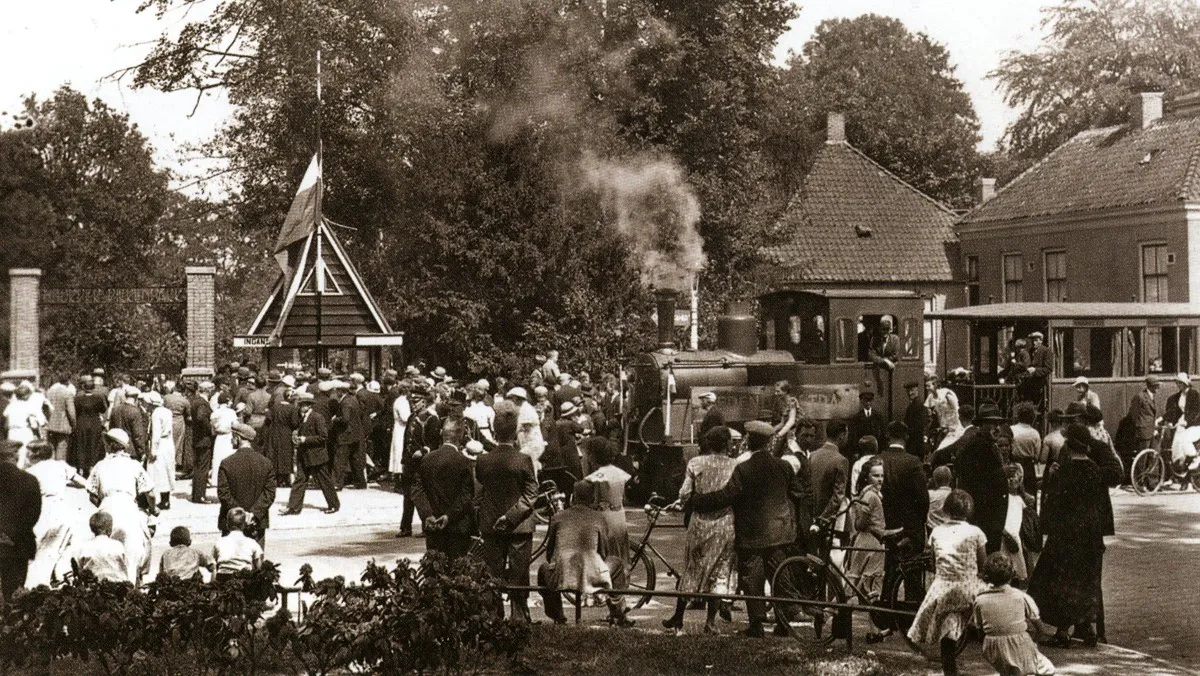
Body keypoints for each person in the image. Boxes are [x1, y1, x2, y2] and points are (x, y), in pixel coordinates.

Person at [689, 420, 805, 638]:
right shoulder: (784, 467)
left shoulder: (743, 469)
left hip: (751, 533)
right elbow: (798, 493)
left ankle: (757, 625)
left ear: (750, 440)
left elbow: (727, 496)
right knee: (779, 576)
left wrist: (699, 501)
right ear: (770, 442)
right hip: (779, 532)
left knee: (754, 579)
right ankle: (782, 623)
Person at [1028, 424, 1120, 648]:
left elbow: (1054, 504)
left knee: (1063, 582)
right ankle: (1089, 628)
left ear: (1069, 445)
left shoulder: (1064, 471)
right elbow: (1101, 504)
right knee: (1087, 580)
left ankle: (1062, 631)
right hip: (1090, 536)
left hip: (1066, 536)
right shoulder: (1095, 471)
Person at [664, 426, 738, 634]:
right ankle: (710, 621)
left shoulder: (696, 463)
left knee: (693, 567)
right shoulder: (735, 465)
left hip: (699, 523)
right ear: (727, 444)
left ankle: (678, 617)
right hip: (724, 522)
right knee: (720, 570)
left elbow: (685, 493)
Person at [907, 489, 988, 676]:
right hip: (968, 586)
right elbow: (983, 563)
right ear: (970, 511)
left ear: (946, 509)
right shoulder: (976, 532)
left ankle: (949, 668)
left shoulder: (936, 531)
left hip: (943, 586)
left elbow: (935, 563)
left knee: (947, 625)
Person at [474, 402, 538, 622]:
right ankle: (519, 616)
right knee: (520, 574)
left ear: (494, 431)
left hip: (491, 524)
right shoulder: (523, 459)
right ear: (515, 432)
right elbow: (531, 494)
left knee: (493, 572)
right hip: (519, 525)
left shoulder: (483, 460)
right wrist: (511, 516)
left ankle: (494, 616)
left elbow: (479, 493)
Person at [537, 480, 623, 624]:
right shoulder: (599, 517)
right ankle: (618, 613)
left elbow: (550, 551)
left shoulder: (559, 517)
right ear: (592, 499)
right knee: (618, 563)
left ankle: (558, 616)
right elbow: (604, 552)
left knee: (543, 569)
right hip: (592, 575)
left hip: (562, 574)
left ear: (573, 497)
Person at [973, 553, 1056, 676]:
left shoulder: (980, 600)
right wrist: (1034, 641)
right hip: (1019, 643)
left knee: (1009, 668)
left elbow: (980, 630)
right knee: (1048, 670)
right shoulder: (1021, 596)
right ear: (1012, 575)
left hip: (992, 646)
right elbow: (1040, 627)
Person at [583, 439, 633, 626]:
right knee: (621, 558)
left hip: (604, 518)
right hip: (619, 517)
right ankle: (619, 605)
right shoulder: (620, 474)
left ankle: (614, 606)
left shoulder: (597, 476)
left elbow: (594, 501)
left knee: (606, 561)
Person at [410, 418, 476, 559]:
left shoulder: (426, 459)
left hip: (433, 526)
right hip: (457, 527)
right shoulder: (463, 462)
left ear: (442, 434)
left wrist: (427, 515)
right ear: (460, 436)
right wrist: (449, 516)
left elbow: (417, 491)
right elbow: (467, 495)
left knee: (435, 568)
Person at [879, 421, 929, 603]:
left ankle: (885, 609)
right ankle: (910, 613)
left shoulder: (878, 460)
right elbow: (923, 499)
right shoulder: (913, 462)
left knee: (889, 569)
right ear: (906, 437)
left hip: (885, 524)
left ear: (887, 436)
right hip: (910, 526)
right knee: (912, 571)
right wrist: (920, 523)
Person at [25, 440, 87, 587]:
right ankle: (62, 584)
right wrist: (62, 482)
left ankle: (38, 587)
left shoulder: (31, 471)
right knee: (62, 550)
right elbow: (83, 483)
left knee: (40, 553)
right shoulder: (60, 466)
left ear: (36, 454)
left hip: (44, 510)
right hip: (62, 509)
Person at [953, 403, 1009, 553]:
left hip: (991, 517)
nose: (997, 428)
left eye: (999, 424)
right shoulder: (976, 447)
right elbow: (974, 483)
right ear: (982, 425)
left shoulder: (988, 445)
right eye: (992, 424)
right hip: (984, 517)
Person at [217, 423, 276, 549]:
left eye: (232, 437)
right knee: (256, 561)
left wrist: (240, 514)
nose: (231, 440)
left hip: (231, 523)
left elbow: (223, 494)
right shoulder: (266, 463)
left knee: (231, 561)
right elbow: (269, 493)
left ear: (237, 438)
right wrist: (253, 513)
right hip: (257, 522)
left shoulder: (227, 463)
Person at [282, 392, 340, 516]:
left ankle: (334, 505)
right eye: (300, 405)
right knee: (300, 480)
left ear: (309, 406)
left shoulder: (317, 417)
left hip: (317, 455)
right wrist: (297, 437)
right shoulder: (303, 417)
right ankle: (293, 507)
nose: (301, 407)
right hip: (305, 455)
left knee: (324, 481)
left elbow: (323, 437)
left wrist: (305, 439)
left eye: (303, 405)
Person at [0, 440, 41, 599]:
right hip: (18, 543)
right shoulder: (29, 480)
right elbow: (33, 514)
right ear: (16, 456)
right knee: (14, 594)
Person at [809, 420, 849, 544]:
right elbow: (838, 496)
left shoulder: (812, 455)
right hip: (829, 521)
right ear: (842, 435)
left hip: (811, 515)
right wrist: (823, 520)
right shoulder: (841, 460)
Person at [72, 511, 128, 583]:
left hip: (92, 587)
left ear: (92, 529)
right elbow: (125, 566)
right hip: (117, 586)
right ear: (109, 530)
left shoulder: (84, 547)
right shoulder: (118, 546)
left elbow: (80, 568)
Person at [262, 387, 299, 489]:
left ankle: (276, 478)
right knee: (286, 455)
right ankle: (284, 478)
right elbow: (295, 423)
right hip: (286, 433)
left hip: (274, 432)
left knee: (275, 454)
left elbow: (268, 419)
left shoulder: (275, 406)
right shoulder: (293, 408)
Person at [213, 507, 264, 580]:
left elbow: (214, 568)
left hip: (223, 580)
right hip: (243, 581)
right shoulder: (252, 543)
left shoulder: (219, 542)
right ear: (244, 525)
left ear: (227, 525)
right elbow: (259, 567)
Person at [70, 378, 108, 477]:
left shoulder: (78, 399)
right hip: (94, 424)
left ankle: (81, 468)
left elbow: (76, 411)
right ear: (93, 387)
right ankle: (91, 467)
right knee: (93, 446)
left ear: (83, 387)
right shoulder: (98, 398)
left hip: (81, 424)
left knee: (81, 446)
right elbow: (103, 410)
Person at [145, 391, 176, 510]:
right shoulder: (167, 411)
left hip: (160, 444)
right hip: (168, 443)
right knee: (167, 471)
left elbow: (156, 434)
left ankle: (162, 500)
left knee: (158, 471)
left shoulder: (156, 414)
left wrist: (153, 451)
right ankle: (166, 498)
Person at [5, 382, 47, 467]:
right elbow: (42, 421)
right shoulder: (30, 406)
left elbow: (6, 419)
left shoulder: (10, 406)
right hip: (24, 432)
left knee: (13, 456)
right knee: (24, 456)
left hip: (12, 432)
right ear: (27, 395)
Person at [1164, 372, 1200, 470]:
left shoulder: (1194, 394)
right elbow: (1175, 411)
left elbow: (1196, 411)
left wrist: (1188, 422)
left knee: (1184, 440)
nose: (1178, 385)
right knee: (1176, 447)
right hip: (1182, 423)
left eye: (1179, 383)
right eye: (1177, 383)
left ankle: (1195, 457)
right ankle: (1179, 474)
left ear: (1185, 383)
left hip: (1195, 425)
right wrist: (1169, 421)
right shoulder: (1179, 395)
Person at [508, 387, 546, 474]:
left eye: (512, 398)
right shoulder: (521, 409)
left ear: (517, 398)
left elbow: (522, 426)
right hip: (526, 444)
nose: (511, 401)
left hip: (532, 444)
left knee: (528, 468)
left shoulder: (527, 409)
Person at [190, 382, 216, 503]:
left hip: (197, 438)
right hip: (204, 439)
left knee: (198, 467)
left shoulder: (195, 401)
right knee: (203, 468)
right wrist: (209, 428)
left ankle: (196, 494)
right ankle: (200, 495)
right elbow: (201, 417)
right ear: (208, 390)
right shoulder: (202, 403)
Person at [1009, 402, 1042, 496]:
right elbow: (1037, 455)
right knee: (1030, 493)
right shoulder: (1035, 433)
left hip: (1014, 464)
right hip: (1029, 467)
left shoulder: (1012, 429)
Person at [162, 381, 191, 480]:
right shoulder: (184, 401)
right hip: (179, 423)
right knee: (177, 446)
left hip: (166, 421)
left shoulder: (166, 398)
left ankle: (166, 467)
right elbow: (188, 414)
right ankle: (174, 467)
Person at [925, 374, 963, 451]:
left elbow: (956, 409)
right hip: (942, 426)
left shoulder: (946, 394)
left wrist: (953, 426)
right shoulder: (930, 397)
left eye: (929, 386)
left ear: (935, 384)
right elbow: (927, 409)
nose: (927, 388)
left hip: (953, 426)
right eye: (926, 386)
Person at [45, 374, 75, 462]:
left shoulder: (50, 391)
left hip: (50, 424)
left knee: (51, 451)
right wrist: (73, 424)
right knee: (61, 453)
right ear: (68, 381)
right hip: (63, 425)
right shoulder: (67, 392)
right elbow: (71, 412)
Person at [210, 393, 238, 488]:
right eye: (230, 401)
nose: (231, 403)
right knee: (229, 457)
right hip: (228, 436)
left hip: (219, 437)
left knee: (218, 458)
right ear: (226, 402)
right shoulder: (231, 412)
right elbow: (235, 425)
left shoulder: (215, 413)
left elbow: (213, 426)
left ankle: (217, 479)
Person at [388, 382, 412, 479]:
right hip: (401, 428)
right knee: (399, 452)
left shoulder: (399, 400)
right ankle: (399, 477)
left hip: (399, 428)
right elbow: (405, 418)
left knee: (398, 451)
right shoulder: (402, 402)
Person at [1022, 331, 1052, 405]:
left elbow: (1049, 368)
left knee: (1038, 406)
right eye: (1032, 340)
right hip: (1029, 384)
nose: (1033, 343)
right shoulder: (1030, 351)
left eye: (1035, 340)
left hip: (1040, 385)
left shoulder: (1046, 351)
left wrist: (1035, 370)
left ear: (1041, 341)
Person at [902, 381, 927, 457]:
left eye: (912, 390)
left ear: (917, 390)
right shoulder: (914, 404)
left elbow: (920, 426)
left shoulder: (918, 405)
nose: (910, 393)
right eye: (908, 391)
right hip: (915, 443)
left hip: (915, 444)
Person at [927, 466, 954, 531]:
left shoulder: (929, 495)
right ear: (950, 479)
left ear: (934, 480)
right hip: (952, 532)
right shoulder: (956, 496)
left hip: (932, 532)